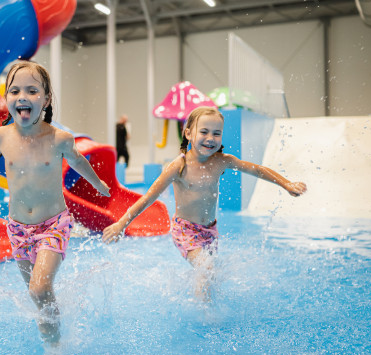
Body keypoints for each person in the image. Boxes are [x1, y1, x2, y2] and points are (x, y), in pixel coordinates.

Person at [0, 60, 110, 355]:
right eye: (15, 90)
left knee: (39, 287)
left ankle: (55, 346)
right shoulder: (0, 136)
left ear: (46, 100)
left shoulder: (59, 139)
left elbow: (77, 161)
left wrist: (97, 182)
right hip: (18, 228)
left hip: (53, 225)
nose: (22, 97)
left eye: (32, 91)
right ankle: (54, 333)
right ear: (6, 98)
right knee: (39, 298)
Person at [102, 106, 306, 298]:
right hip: (185, 230)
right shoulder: (179, 166)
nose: (211, 138)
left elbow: (257, 170)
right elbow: (148, 198)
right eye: (204, 132)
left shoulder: (221, 161)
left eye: (217, 133)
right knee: (206, 268)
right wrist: (121, 224)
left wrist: (287, 184)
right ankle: (204, 315)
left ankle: (198, 297)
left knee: (211, 274)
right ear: (189, 133)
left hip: (210, 231)